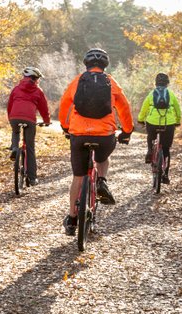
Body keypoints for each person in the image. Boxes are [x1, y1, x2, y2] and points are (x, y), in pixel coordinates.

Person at [57, 47, 133, 235]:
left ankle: (73, 219)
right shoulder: (111, 82)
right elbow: (124, 108)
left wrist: (66, 126)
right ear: (104, 64)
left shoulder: (77, 81)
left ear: (87, 63)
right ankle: (101, 180)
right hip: (105, 136)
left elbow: (64, 104)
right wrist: (127, 131)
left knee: (78, 177)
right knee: (102, 158)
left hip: (79, 135)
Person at [7, 66, 50, 185]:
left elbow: (10, 104)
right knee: (30, 147)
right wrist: (46, 121)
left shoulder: (16, 89)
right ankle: (32, 178)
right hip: (30, 119)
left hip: (14, 117)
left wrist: (11, 118)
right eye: (38, 79)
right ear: (35, 78)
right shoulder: (38, 91)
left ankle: (15, 148)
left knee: (15, 132)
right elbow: (43, 108)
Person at [138, 72, 182, 183]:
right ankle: (165, 175)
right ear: (167, 83)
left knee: (151, 136)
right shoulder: (171, 94)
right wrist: (177, 121)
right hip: (168, 123)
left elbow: (144, 108)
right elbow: (177, 109)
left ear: (156, 83)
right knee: (166, 150)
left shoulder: (151, 93)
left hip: (152, 122)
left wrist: (140, 119)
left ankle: (149, 151)